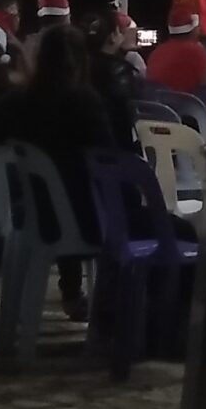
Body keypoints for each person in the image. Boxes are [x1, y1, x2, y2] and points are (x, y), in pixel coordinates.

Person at [18, 23, 128, 319]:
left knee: (68, 189)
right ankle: (112, 310)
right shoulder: (85, 102)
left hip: (34, 216)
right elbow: (109, 157)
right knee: (138, 218)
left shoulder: (23, 101)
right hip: (84, 222)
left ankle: (73, 293)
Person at [143, 1, 206, 95]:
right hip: (185, 104)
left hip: (156, 103)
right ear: (193, 29)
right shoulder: (197, 53)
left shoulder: (156, 52)